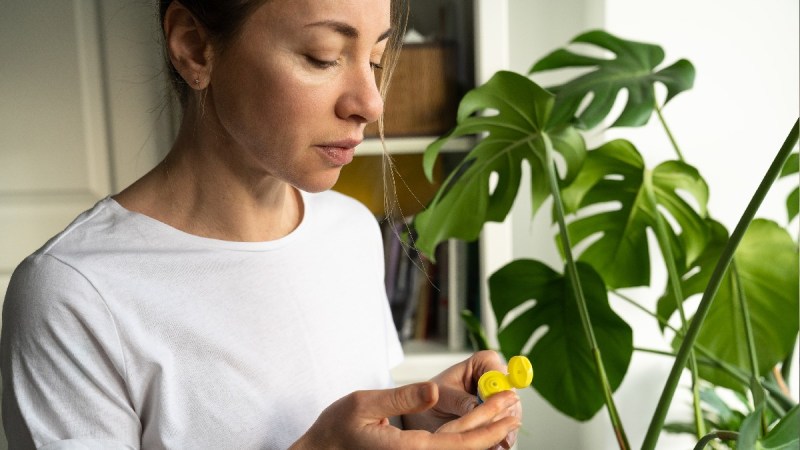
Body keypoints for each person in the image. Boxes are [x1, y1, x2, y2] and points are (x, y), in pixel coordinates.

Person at [1, 0, 522, 448]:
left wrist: (421, 420)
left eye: (376, 58)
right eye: (323, 58)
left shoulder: (353, 231)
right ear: (194, 47)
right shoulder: (74, 294)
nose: (370, 103)